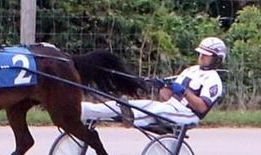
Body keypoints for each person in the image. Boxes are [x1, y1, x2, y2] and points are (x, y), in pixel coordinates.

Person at [82, 36, 226, 128]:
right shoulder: (191, 70)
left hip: (187, 115)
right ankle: (85, 110)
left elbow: (201, 107)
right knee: (134, 104)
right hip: (170, 107)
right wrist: (162, 86)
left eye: (206, 55)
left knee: (153, 111)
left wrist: (183, 91)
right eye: (201, 53)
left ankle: (129, 117)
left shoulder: (214, 80)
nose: (201, 57)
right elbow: (166, 97)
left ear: (217, 59)